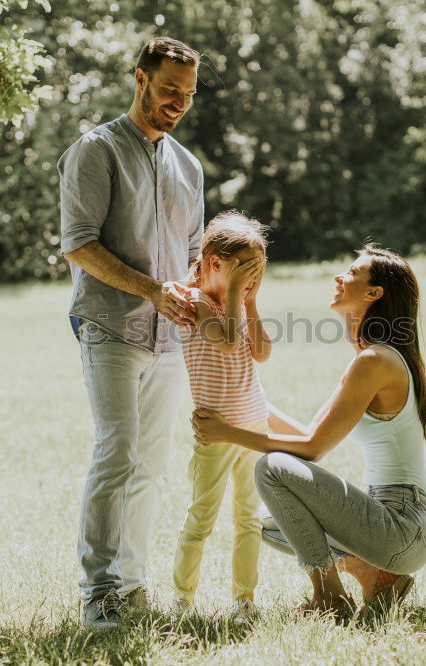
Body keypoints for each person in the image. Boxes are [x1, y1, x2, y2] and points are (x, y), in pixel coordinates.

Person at [192, 245, 426, 621]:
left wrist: (228, 433)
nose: (339, 277)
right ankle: (375, 574)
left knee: (271, 469)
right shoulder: (371, 357)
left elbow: (311, 448)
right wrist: (239, 404)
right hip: (397, 528)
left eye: (352, 274)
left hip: (402, 525)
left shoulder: (375, 362)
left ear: (374, 294)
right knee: (270, 525)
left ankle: (329, 599)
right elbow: (309, 433)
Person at [57, 37, 203, 631]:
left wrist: (194, 292)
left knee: (153, 465)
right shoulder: (95, 152)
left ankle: (133, 585)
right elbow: (79, 243)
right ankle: (98, 591)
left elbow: (194, 252)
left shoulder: (188, 166)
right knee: (116, 453)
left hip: (169, 337)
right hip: (110, 327)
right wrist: (154, 291)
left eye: (188, 94)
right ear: (139, 78)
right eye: (168, 89)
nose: (178, 102)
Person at [171, 212, 271, 619]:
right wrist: (233, 296)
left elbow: (260, 353)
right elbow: (228, 343)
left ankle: (244, 600)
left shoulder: (239, 303)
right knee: (201, 519)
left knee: (249, 519)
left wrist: (250, 300)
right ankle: (182, 600)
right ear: (214, 261)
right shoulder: (193, 302)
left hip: (252, 424)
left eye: (256, 270)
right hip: (215, 433)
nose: (249, 277)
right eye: (243, 268)